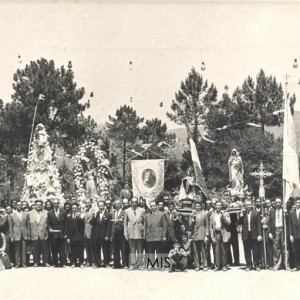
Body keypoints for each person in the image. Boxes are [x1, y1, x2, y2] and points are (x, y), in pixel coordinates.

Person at [238, 200, 262, 271]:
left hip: (254, 234)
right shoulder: (243, 213)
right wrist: (241, 216)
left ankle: (257, 265)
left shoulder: (256, 213)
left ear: (251, 205)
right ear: (245, 206)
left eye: (249, 205)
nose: (248, 206)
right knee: (247, 250)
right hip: (246, 234)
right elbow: (239, 223)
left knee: (255, 250)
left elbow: (258, 224)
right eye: (246, 205)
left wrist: (260, 234)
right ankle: (249, 265)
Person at [124, 197, 145, 270]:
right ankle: (133, 264)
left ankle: (140, 264)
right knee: (132, 249)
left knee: (140, 249)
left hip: (139, 232)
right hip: (131, 232)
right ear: (130, 203)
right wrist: (125, 233)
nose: (134, 203)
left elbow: (144, 222)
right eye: (133, 202)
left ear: (138, 202)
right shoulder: (127, 211)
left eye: (136, 202)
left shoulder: (142, 210)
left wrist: (143, 232)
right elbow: (125, 223)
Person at [144, 201, 167, 269]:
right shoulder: (147, 216)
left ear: (156, 206)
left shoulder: (161, 214)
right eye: (151, 206)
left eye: (153, 206)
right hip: (150, 236)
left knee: (159, 252)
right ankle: (152, 265)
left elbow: (164, 226)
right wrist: (145, 235)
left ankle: (160, 265)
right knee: (151, 252)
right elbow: (145, 226)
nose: (152, 207)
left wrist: (164, 236)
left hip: (158, 236)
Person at [90, 200, 112, 268]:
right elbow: (91, 223)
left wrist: (107, 235)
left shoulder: (108, 214)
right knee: (97, 249)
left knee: (106, 249)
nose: (101, 207)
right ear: (98, 206)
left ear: (104, 206)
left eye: (102, 205)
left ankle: (106, 263)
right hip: (96, 235)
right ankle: (97, 263)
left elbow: (109, 226)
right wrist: (94, 216)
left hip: (104, 235)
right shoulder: (96, 214)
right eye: (99, 206)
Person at [210, 201, 231, 271]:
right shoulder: (212, 215)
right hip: (216, 233)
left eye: (219, 205)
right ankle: (217, 266)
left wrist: (223, 217)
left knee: (224, 250)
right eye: (217, 205)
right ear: (215, 206)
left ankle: (224, 266)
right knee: (216, 250)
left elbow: (229, 223)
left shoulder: (226, 214)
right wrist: (212, 236)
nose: (218, 206)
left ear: (221, 206)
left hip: (223, 233)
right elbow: (210, 227)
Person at [268, 197, 288, 270]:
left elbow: (288, 221)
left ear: (281, 203)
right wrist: (269, 232)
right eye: (277, 202)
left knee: (284, 246)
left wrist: (286, 214)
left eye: (279, 202)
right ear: (274, 203)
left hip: (283, 229)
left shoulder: (284, 210)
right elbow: (269, 222)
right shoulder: (272, 211)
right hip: (276, 230)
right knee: (276, 248)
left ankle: (285, 264)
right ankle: (276, 264)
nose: (278, 204)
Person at [28, 200, 49, 267]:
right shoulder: (30, 213)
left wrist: (47, 233)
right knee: (35, 249)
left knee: (44, 249)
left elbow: (48, 224)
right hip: (34, 233)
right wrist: (29, 234)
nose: (38, 206)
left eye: (40, 204)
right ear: (35, 205)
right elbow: (28, 225)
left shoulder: (46, 213)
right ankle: (36, 262)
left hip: (43, 233)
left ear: (42, 205)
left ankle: (45, 262)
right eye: (37, 204)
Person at [9, 201, 30, 268]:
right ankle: (17, 263)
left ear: (22, 206)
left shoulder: (26, 214)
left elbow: (28, 225)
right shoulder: (12, 215)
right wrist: (11, 236)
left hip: (24, 233)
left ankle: (24, 263)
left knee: (24, 249)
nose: (19, 206)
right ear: (15, 206)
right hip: (16, 234)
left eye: (20, 205)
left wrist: (28, 234)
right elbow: (10, 226)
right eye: (18, 205)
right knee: (17, 250)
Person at [189, 202, 209, 271]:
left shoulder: (204, 214)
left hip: (202, 233)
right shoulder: (192, 215)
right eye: (196, 206)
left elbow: (207, 225)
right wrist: (192, 219)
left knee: (203, 250)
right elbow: (190, 225)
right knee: (195, 251)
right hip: (194, 234)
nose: (197, 207)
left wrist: (206, 235)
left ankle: (205, 265)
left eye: (198, 206)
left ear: (201, 207)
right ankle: (197, 265)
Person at [48, 198, 67, 268]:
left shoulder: (63, 212)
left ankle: (62, 263)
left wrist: (65, 233)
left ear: (59, 204)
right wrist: (49, 228)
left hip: (62, 234)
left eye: (57, 203)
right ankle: (55, 263)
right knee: (54, 249)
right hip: (54, 234)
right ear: (53, 205)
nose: (56, 205)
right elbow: (48, 223)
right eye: (54, 203)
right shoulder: (50, 212)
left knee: (62, 250)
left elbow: (66, 223)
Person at [65, 203, 85, 268]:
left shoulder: (81, 215)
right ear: (71, 209)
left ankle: (81, 262)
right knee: (73, 250)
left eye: (75, 208)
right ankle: (73, 262)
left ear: (78, 208)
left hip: (79, 235)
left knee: (80, 250)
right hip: (72, 236)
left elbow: (82, 225)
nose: (74, 209)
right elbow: (67, 227)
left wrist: (79, 218)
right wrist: (68, 237)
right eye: (73, 208)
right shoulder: (69, 216)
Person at [111, 199, 126, 268]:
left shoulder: (124, 212)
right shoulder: (112, 212)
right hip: (114, 233)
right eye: (116, 204)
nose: (117, 205)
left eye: (118, 204)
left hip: (121, 233)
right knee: (115, 249)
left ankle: (124, 264)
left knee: (123, 249)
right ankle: (116, 264)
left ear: (121, 204)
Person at [83, 198, 95, 267]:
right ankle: (89, 261)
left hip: (92, 230)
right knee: (87, 247)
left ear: (91, 203)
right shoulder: (84, 210)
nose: (87, 204)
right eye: (86, 203)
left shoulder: (94, 210)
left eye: (88, 203)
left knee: (93, 247)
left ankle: (94, 261)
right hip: (85, 231)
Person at [289, 198, 300, 271]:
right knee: (295, 251)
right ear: (294, 203)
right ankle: (297, 266)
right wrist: (290, 235)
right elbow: (289, 224)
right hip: (295, 235)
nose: (298, 204)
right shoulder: (291, 212)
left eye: (299, 202)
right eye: (296, 202)